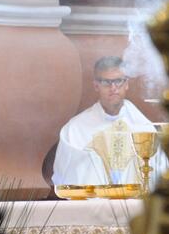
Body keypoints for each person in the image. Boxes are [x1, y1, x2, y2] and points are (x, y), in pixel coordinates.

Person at [52, 56, 159, 186]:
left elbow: (158, 173)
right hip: (92, 204)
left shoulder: (144, 128)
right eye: (106, 82)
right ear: (96, 85)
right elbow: (63, 176)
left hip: (133, 204)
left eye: (118, 81)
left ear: (126, 84)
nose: (113, 88)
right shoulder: (74, 130)